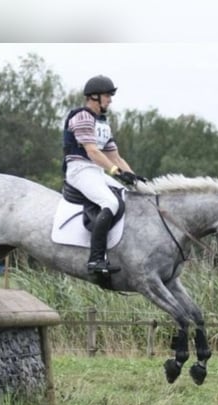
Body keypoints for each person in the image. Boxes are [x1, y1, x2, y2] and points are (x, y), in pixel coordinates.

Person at [62, 74, 143, 276]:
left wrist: (133, 177)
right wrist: (116, 172)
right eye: (107, 95)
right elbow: (92, 152)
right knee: (111, 203)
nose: (110, 100)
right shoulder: (82, 117)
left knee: (127, 194)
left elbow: (115, 156)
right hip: (79, 168)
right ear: (95, 97)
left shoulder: (103, 124)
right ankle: (95, 259)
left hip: (95, 170)